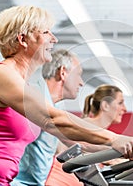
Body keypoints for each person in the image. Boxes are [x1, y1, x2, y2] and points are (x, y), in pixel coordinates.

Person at [0, 5, 133, 186]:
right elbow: (52, 119)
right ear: (23, 39)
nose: (54, 38)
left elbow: (77, 141)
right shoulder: (1, 74)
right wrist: (114, 138)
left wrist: (126, 152)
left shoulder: (29, 88)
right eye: (45, 32)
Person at [11, 49, 83, 185]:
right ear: (63, 73)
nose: (81, 82)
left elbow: (61, 145)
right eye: (78, 75)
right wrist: (116, 145)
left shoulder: (55, 105)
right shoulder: (34, 97)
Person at [45, 84, 129, 185]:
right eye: (120, 103)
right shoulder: (86, 127)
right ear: (105, 105)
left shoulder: (97, 131)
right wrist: (122, 154)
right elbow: (88, 147)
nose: (125, 109)